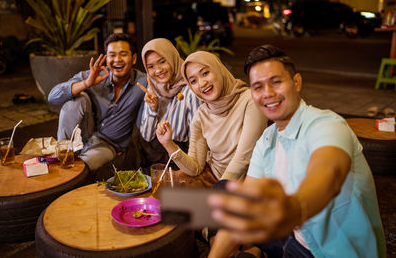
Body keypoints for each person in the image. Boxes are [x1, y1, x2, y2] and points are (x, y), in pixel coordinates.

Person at [207, 45, 386, 258]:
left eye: (276, 82)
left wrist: (294, 209)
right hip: (289, 236)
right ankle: (255, 251)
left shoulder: (327, 124)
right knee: (224, 191)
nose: (268, 94)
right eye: (258, 87)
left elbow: (329, 170)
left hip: (325, 251)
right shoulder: (267, 139)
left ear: (297, 82)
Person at [156, 51, 267, 186]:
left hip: (248, 185)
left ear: (218, 69)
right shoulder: (201, 115)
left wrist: (220, 188)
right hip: (215, 181)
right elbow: (195, 168)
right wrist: (168, 144)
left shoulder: (250, 100)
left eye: (205, 73)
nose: (202, 83)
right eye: (193, 81)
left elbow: (244, 158)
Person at [48, 33, 147, 177]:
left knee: (81, 170)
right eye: (112, 55)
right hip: (84, 134)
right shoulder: (94, 75)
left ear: (134, 58)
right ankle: (64, 153)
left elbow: (167, 82)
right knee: (77, 100)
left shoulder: (143, 83)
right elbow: (53, 97)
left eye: (123, 54)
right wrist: (86, 83)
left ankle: (67, 178)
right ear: (106, 58)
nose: (117, 60)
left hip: (108, 145)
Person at [135, 38, 201, 168]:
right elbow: (147, 137)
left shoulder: (190, 90)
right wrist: (153, 109)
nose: (158, 70)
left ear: (172, 58)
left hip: (179, 158)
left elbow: (196, 141)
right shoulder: (153, 87)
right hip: (152, 158)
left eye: (162, 61)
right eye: (151, 67)